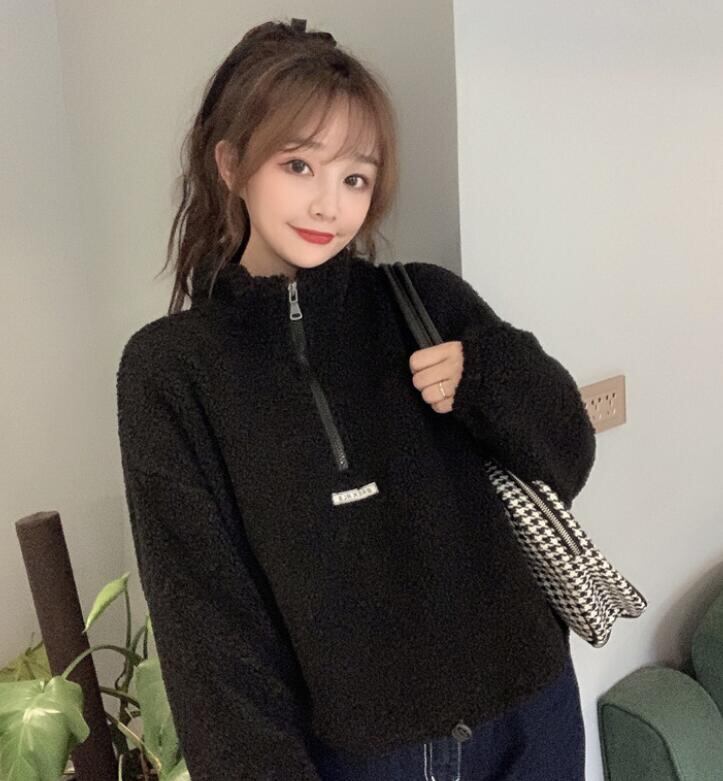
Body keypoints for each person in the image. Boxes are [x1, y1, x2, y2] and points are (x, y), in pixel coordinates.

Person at [116, 17, 596, 781]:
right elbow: (207, 629)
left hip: (526, 713)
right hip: (355, 758)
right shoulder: (172, 371)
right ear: (231, 164)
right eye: (298, 165)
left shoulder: (426, 302)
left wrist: (485, 376)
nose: (327, 205)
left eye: (354, 178)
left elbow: (567, 451)